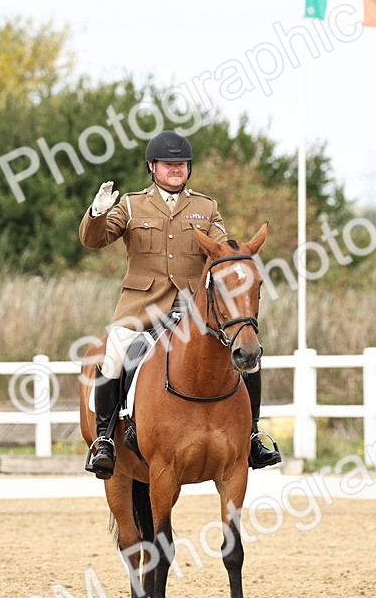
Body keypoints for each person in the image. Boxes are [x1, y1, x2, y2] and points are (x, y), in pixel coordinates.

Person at [78, 130, 281, 478]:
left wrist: (239, 256)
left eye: (182, 164)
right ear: (152, 167)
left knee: (247, 354)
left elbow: (221, 247)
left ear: (189, 169)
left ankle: (252, 436)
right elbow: (95, 240)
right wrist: (97, 212)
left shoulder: (206, 207)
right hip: (142, 308)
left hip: (194, 311)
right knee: (114, 352)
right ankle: (104, 441)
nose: (176, 169)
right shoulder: (130, 204)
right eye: (168, 164)